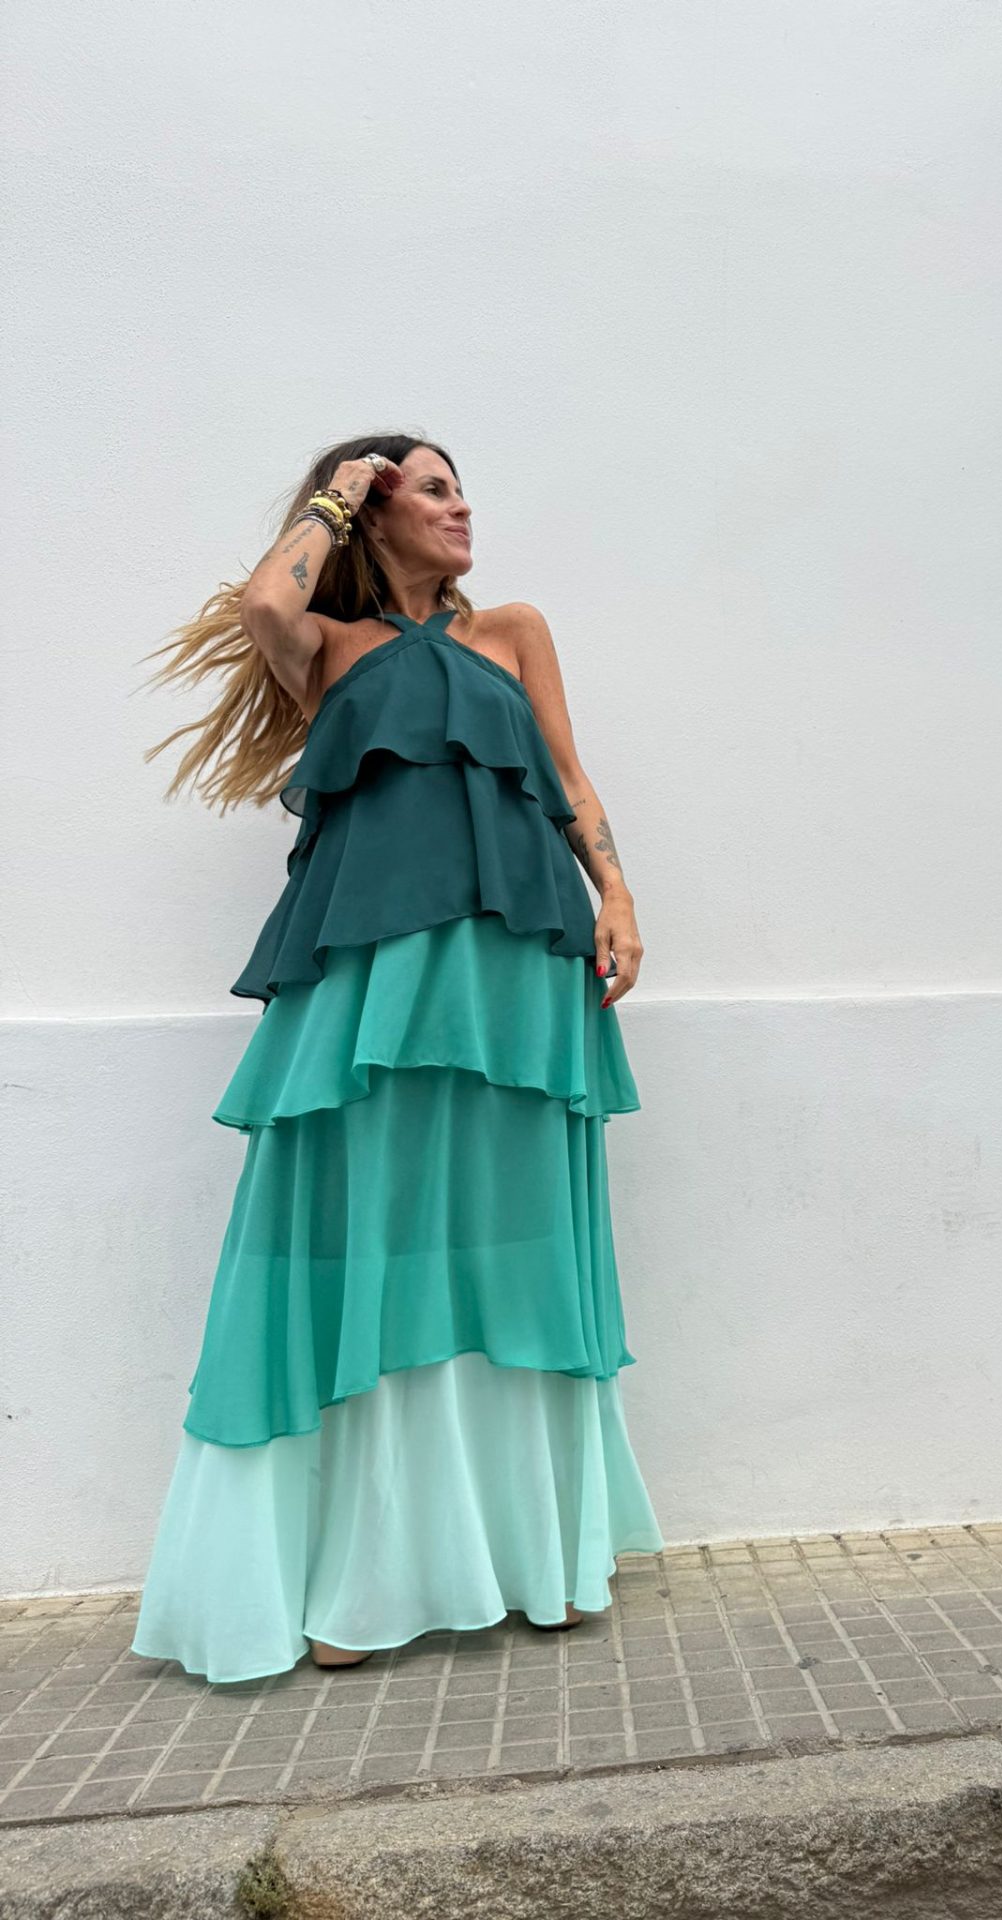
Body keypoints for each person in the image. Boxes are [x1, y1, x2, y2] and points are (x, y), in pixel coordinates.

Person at [128, 433, 664, 1682]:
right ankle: (364, 1572)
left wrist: (621, 899)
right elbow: (268, 605)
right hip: (370, 969)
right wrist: (340, 491)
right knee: (369, 1224)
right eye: (432, 488)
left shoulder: (514, 633)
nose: (462, 506)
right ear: (375, 510)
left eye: (463, 487)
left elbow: (569, 782)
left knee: (516, 1234)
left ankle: (533, 1557)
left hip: (521, 966)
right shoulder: (328, 648)